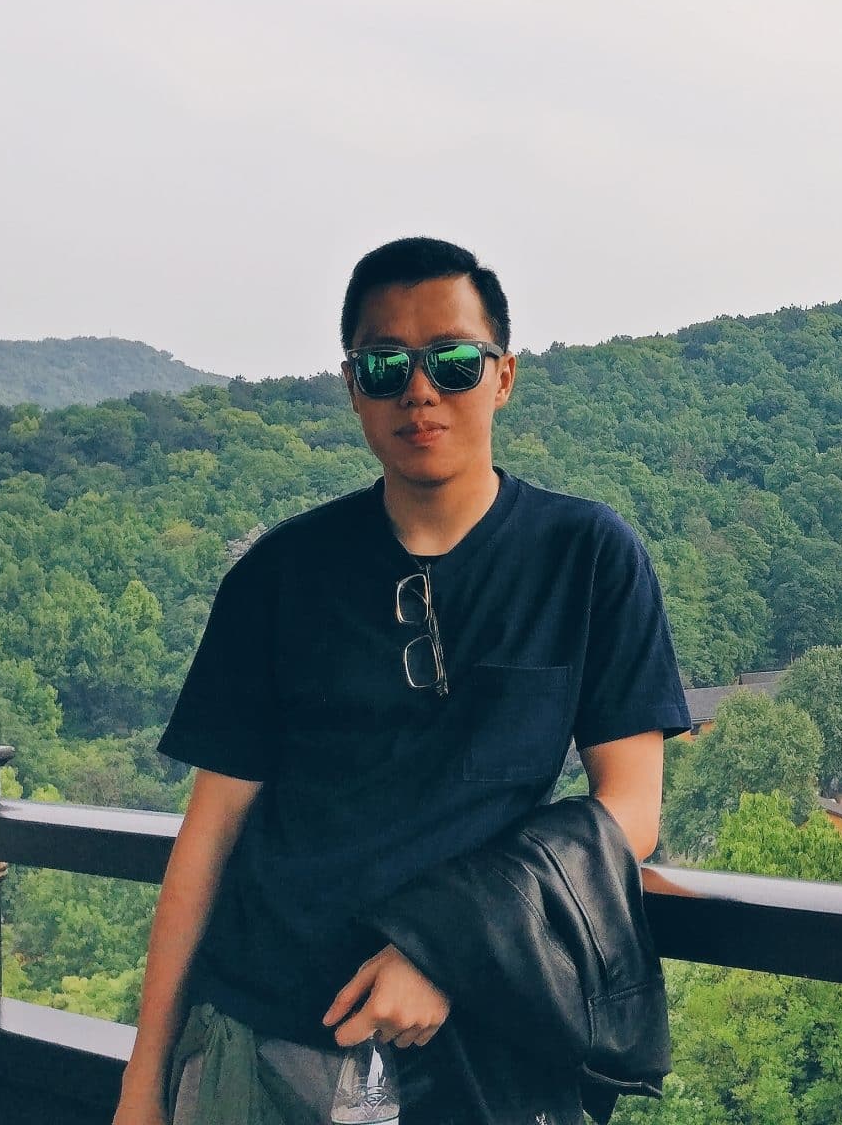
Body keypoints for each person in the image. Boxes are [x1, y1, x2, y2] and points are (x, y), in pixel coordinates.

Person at [112, 238, 692, 1125]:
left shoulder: (584, 558)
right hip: (258, 1045)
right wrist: (142, 1082)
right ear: (352, 386)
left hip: (475, 1053)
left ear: (502, 377)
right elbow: (211, 834)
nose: (420, 391)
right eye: (384, 366)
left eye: (455, 362)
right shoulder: (279, 576)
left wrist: (448, 948)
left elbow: (633, 807)